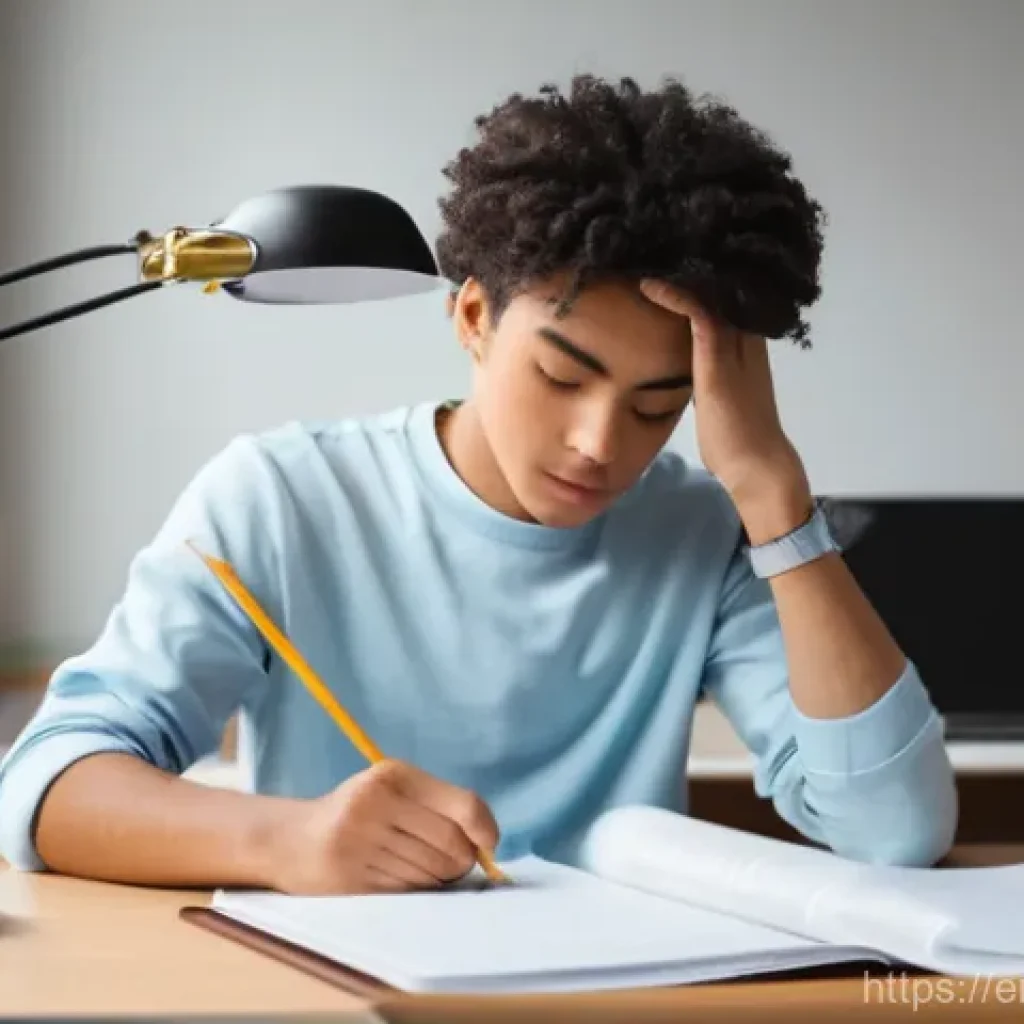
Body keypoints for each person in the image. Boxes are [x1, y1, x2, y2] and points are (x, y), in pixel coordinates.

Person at [0, 74, 956, 893]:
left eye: (656, 406)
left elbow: (894, 833)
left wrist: (771, 491)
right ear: (471, 317)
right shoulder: (281, 499)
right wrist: (285, 842)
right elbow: (46, 784)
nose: (598, 445)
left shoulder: (699, 535)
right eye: (563, 376)